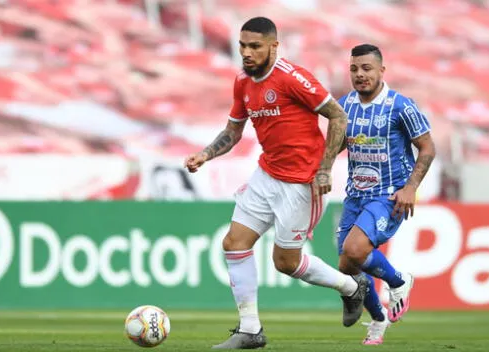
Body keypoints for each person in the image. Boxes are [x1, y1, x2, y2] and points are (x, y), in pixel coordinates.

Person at [184, 17, 368, 349]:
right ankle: (250, 330)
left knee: (286, 263)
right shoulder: (242, 81)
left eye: (255, 46)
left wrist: (325, 168)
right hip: (266, 174)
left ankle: (352, 288)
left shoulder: (292, 78)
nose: (247, 52)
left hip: (302, 183)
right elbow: (233, 131)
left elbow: (338, 116)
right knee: (234, 243)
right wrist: (205, 155)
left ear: (273, 46)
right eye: (242, 45)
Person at [335, 44, 436, 345]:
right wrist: (318, 169)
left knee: (354, 250)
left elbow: (428, 147)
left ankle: (398, 282)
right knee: (346, 266)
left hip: (390, 195)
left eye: (366, 68)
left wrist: (410, 188)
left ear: (382, 70)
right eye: (354, 69)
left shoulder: (401, 106)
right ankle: (378, 319)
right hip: (355, 194)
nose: (360, 74)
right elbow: (337, 145)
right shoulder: (344, 107)